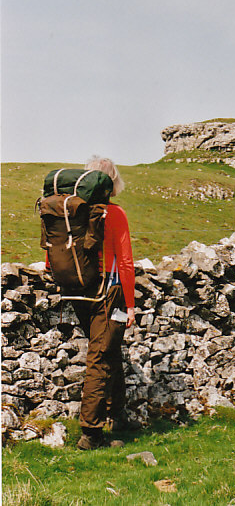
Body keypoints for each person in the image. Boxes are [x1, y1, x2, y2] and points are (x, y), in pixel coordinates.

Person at [71, 156, 136, 450]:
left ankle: (118, 415)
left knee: (109, 347)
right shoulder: (115, 214)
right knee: (100, 356)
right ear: (112, 182)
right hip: (111, 294)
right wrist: (131, 305)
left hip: (78, 292)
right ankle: (91, 434)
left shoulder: (72, 210)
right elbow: (125, 262)